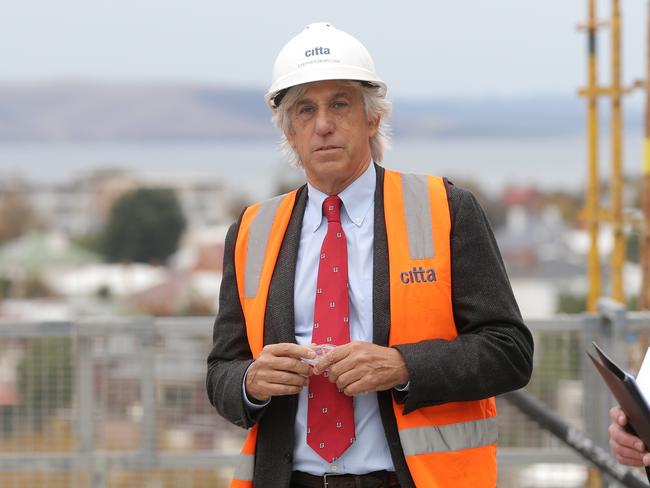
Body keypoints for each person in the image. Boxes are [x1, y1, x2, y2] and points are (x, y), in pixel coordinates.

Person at [206, 22, 534, 488]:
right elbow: (221, 368)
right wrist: (250, 383)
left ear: (373, 117)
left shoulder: (445, 209)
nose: (323, 124)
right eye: (305, 110)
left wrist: (403, 366)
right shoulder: (252, 230)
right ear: (290, 133)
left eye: (339, 104)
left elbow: (511, 352)